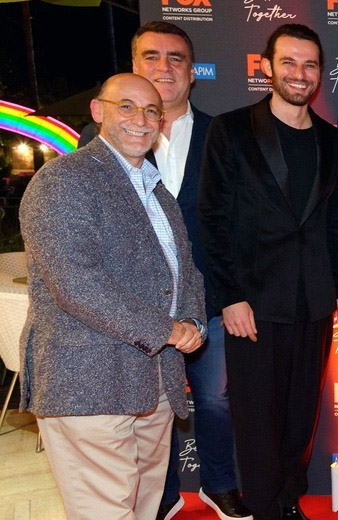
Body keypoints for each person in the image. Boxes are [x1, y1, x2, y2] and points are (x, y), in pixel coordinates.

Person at [78, 21, 249, 520]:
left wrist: (233, 293)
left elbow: (240, 224)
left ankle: (220, 485)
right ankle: (163, 494)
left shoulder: (223, 133)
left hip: (208, 301)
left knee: (215, 400)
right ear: (134, 66)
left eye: (176, 58)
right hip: (133, 310)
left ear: (193, 72)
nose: (164, 67)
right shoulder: (98, 140)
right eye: (151, 56)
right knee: (149, 405)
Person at [18, 73, 206, 520]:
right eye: (127, 106)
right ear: (98, 111)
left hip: (154, 380)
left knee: (143, 506)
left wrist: (194, 323)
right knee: (105, 511)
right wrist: (168, 329)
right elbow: (77, 284)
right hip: (88, 381)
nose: (140, 119)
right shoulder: (63, 181)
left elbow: (185, 271)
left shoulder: (157, 192)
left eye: (151, 111)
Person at [199, 23, 338, 520]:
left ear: (320, 73)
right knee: (257, 418)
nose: (299, 74)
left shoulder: (333, 140)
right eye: (289, 62)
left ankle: (287, 501)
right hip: (253, 303)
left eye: (309, 65)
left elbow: (335, 222)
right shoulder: (232, 130)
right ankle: (264, 508)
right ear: (267, 67)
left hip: (313, 303)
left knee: (300, 417)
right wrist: (229, 296)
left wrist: (337, 288)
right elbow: (213, 219)